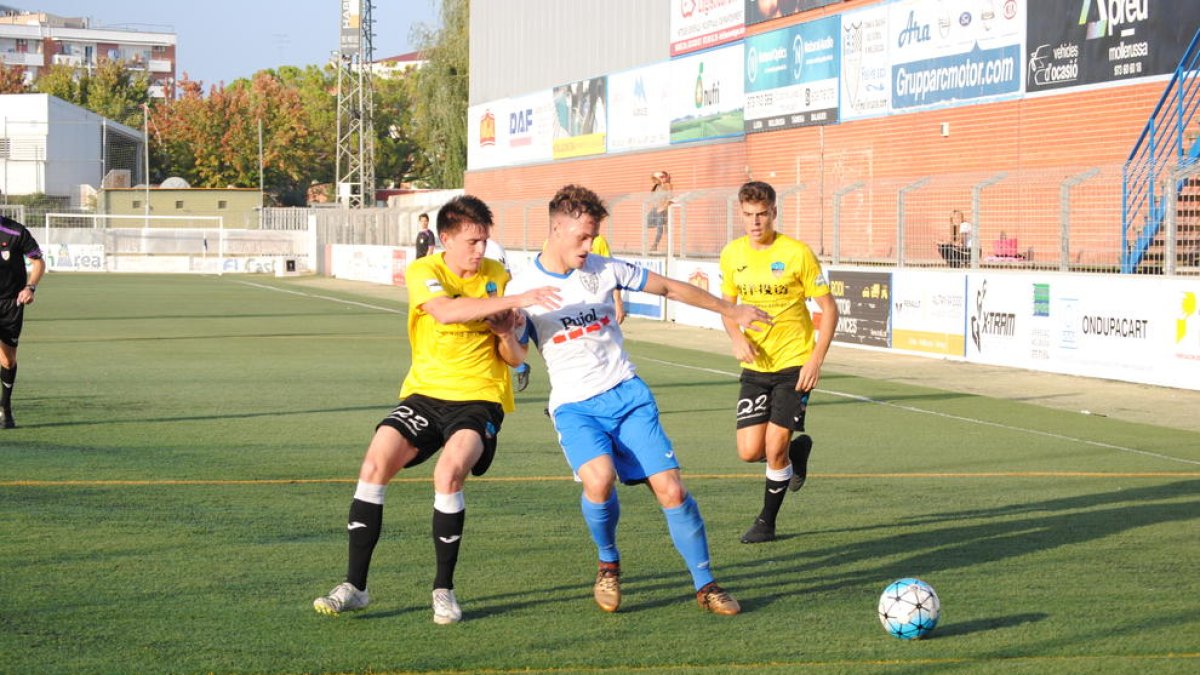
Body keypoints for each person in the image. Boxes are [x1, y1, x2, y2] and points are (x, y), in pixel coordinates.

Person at [508, 184, 772, 615]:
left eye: (593, 236)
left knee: (671, 489)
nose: (589, 245)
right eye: (581, 236)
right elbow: (516, 353)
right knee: (599, 480)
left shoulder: (605, 268)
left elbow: (668, 288)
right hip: (576, 407)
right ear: (556, 229)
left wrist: (732, 311)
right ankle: (608, 564)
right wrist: (506, 335)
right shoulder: (524, 287)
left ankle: (706, 585)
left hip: (628, 395)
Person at [313, 195, 560, 624]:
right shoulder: (425, 270)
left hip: (480, 397)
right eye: (471, 241)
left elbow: (517, 358)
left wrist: (505, 331)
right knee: (374, 464)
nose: (480, 250)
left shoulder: (496, 277)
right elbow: (445, 313)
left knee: (447, 473)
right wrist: (510, 301)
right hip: (425, 395)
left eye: (484, 240)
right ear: (445, 238)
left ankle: (443, 590)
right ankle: (355, 587)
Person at [719, 181, 838, 544]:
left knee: (773, 447)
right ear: (741, 214)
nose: (756, 222)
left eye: (762, 214)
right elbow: (728, 308)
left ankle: (766, 523)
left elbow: (830, 310)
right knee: (749, 451)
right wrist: (737, 338)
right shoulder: (731, 254)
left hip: (794, 365)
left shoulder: (796, 253)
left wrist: (815, 360)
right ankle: (794, 455)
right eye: (749, 215)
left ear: (773, 212)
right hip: (756, 367)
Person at [0, 215, 45, 429]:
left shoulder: (15, 231)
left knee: (8, 361)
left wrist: (30, 288)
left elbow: (38, 261)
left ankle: (5, 407)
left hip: (10, 304)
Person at [646, 171, 672, 252]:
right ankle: (663, 224)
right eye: (661, 177)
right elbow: (652, 177)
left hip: (662, 210)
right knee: (646, 222)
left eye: (664, 177)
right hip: (655, 209)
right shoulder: (657, 186)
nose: (662, 178)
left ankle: (655, 245)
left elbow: (669, 199)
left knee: (660, 229)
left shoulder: (667, 186)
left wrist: (663, 207)